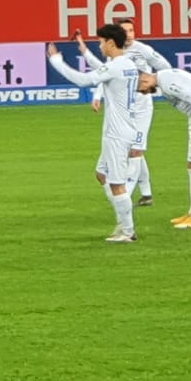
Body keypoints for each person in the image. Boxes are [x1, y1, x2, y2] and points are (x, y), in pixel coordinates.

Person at [47, 25, 146, 243]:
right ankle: (123, 222)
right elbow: (102, 71)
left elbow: (84, 80)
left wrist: (56, 62)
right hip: (125, 127)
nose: (100, 46)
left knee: (117, 183)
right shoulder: (126, 64)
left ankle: (128, 231)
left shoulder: (117, 66)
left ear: (111, 43)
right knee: (102, 174)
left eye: (101, 42)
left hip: (117, 132)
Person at [89, 19, 169, 208]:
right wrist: (98, 95)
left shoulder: (143, 50)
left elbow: (165, 67)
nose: (129, 34)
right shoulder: (115, 56)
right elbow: (105, 76)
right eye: (125, 31)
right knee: (133, 150)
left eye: (132, 30)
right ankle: (147, 193)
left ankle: (126, 194)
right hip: (124, 111)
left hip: (142, 108)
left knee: (135, 151)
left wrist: (159, 85)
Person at [139, 67, 191, 229]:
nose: (144, 93)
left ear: (144, 80)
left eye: (141, 90)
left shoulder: (168, 83)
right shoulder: (165, 79)